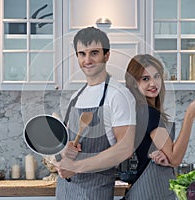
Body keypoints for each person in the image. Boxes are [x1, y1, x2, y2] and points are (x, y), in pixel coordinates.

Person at [53, 27, 136, 200]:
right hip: (65, 192)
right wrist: (66, 151)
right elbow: (69, 146)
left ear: (107, 55)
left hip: (95, 192)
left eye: (94, 53)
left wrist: (77, 167)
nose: (87, 60)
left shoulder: (118, 95)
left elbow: (124, 149)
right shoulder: (76, 97)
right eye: (82, 54)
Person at [123, 54, 195, 200]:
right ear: (135, 83)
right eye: (145, 79)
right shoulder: (147, 112)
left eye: (157, 76)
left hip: (151, 189)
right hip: (150, 191)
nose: (153, 83)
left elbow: (167, 157)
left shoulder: (139, 110)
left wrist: (164, 158)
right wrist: (189, 117)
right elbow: (175, 158)